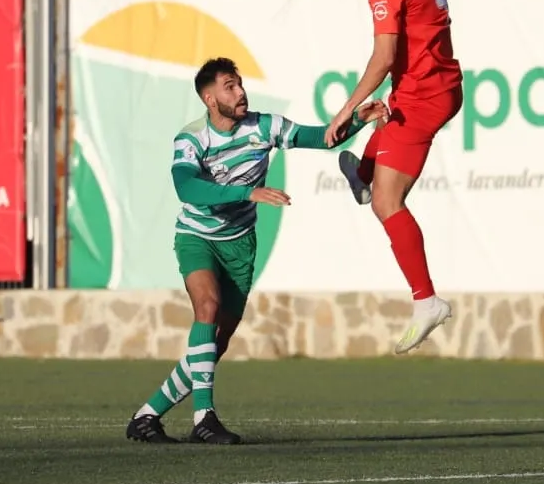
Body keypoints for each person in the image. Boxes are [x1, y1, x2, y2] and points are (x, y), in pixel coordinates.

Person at [126, 57, 387, 445]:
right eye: (230, 86)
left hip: (240, 245)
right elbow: (187, 189)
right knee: (207, 308)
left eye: (240, 84)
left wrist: (359, 121)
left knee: (216, 342)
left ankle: (147, 416)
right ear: (210, 98)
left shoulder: (264, 126)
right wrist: (246, 191)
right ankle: (204, 418)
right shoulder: (191, 138)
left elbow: (320, 138)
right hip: (198, 237)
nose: (241, 91)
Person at [328, 0, 465, 354]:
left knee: (388, 203)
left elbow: (384, 57)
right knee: (381, 126)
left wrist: (347, 107)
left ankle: (427, 301)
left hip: (422, 97)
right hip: (438, 86)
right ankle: (362, 175)